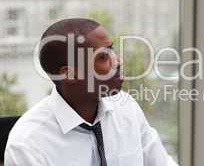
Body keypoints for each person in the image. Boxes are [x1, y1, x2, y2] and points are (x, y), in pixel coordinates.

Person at [4, 18, 178, 166]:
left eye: (112, 49)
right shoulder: (28, 144)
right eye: (103, 56)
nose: (118, 61)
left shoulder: (125, 107)